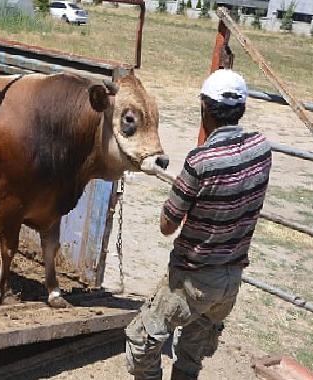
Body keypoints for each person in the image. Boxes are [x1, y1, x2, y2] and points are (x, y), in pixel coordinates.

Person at [125, 69, 272, 380]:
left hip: (192, 282)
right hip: (230, 281)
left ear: (205, 108)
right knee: (192, 350)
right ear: (241, 108)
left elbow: (167, 225)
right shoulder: (262, 149)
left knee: (141, 341)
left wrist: (181, 188)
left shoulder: (200, 162)